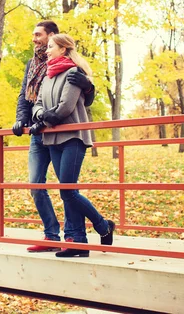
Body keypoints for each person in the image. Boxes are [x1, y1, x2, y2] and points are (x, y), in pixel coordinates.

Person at [12, 20, 96, 252]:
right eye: (33, 35)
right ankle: (51, 235)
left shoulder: (70, 67)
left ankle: (74, 236)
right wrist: (22, 118)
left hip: (59, 131)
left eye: (39, 35)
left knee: (67, 187)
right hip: (38, 132)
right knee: (35, 184)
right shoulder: (33, 65)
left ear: (52, 37)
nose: (35, 39)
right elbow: (26, 96)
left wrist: (89, 87)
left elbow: (82, 100)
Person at [31, 33, 115, 258]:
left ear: (63, 49)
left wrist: (42, 121)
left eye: (51, 47)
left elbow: (66, 108)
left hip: (73, 138)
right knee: (68, 191)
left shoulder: (74, 73)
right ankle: (77, 240)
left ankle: (103, 226)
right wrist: (39, 115)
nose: (47, 51)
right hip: (53, 140)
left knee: (67, 191)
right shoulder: (48, 76)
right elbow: (37, 103)